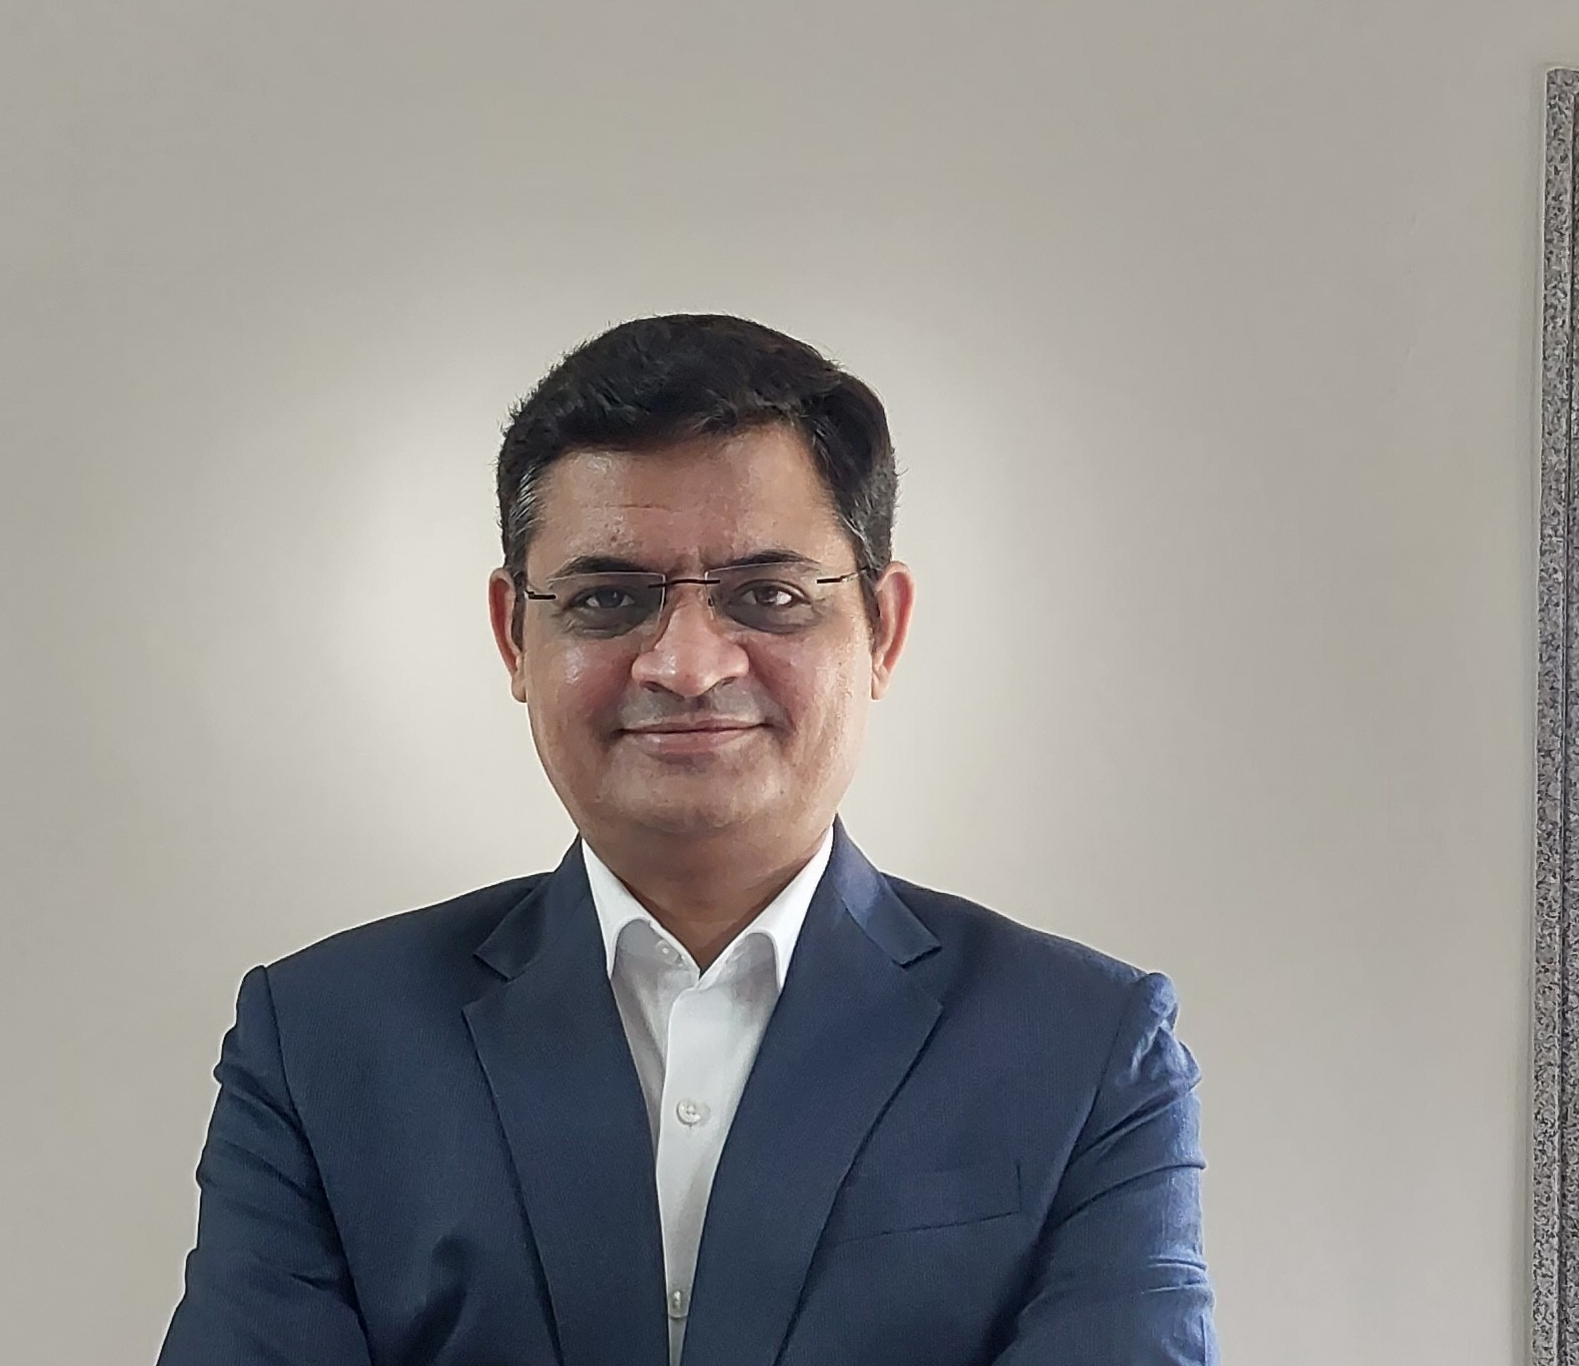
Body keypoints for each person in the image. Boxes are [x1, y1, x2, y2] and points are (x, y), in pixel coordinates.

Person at [156, 313, 1219, 1366]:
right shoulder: (325, 1044)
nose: (688, 666)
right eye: (608, 598)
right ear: (514, 636)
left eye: (769, 595)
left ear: (882, 630)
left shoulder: (1085, 1050)